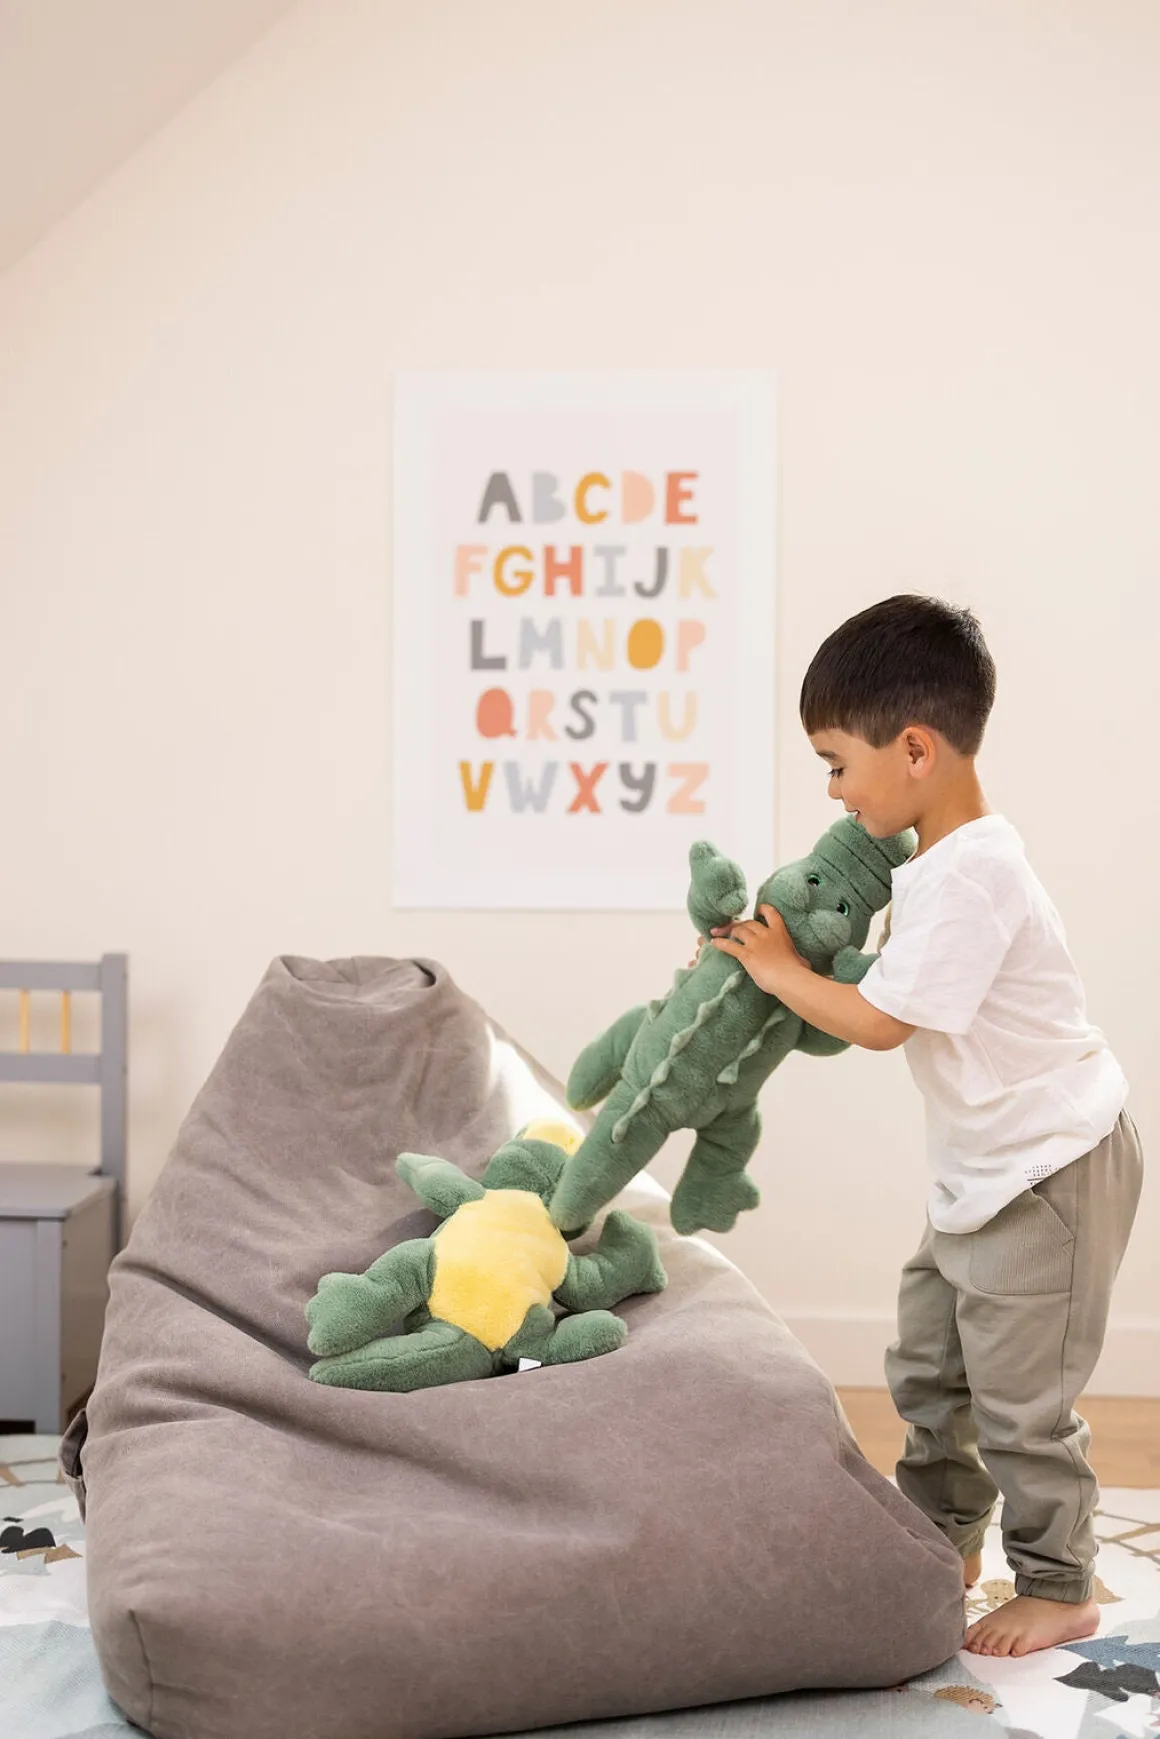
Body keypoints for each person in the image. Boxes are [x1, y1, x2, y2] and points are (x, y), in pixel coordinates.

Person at [707, 594, 1141, 1658]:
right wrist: (767, 965)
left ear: (912, 749)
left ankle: (1058, 1583)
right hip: (984, 1169)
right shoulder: (936, 867)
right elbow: (880, 984)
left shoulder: (971, 876)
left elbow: (876, 1022)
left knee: (1019, 1398)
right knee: (932, 1369)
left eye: (835, 764)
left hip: (1048, 1170)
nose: (832, 791)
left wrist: (779, 970)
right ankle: (940, 1541)